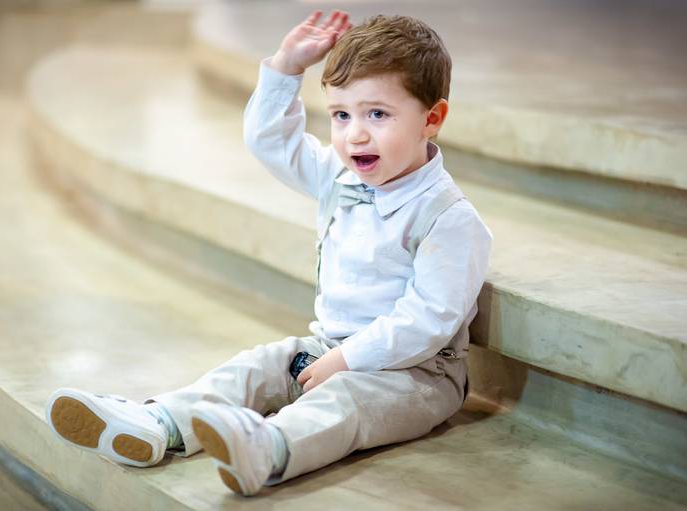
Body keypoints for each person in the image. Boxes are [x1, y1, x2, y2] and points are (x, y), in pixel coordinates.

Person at [45, 10, 493, 497]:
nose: (354, 135)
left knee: (346, 402)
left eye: (377, 114)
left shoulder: (448, 218)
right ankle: (161, 424)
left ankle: (269, 447)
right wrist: (285, 68)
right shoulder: (339, 175)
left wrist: (349, 359)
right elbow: (270, 141)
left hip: (418, 375)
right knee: (257, 366)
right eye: (341, 115)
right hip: (330, 347)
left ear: (433, 118)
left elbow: (429, 318)